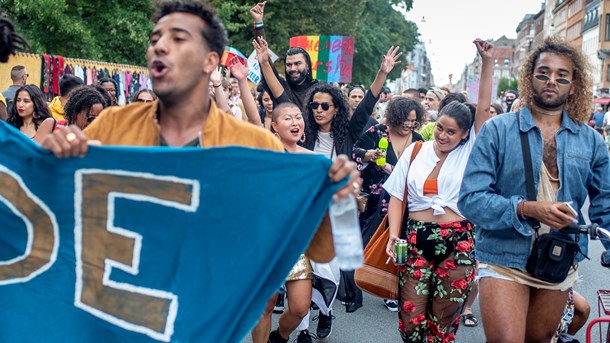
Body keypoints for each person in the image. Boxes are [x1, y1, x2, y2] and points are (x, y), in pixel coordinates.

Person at [40, 2, 359, 343]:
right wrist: (54, 158)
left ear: (210, 61)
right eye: (155, 39)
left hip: (207, 310)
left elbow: (323, 248)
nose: (160, 47)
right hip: (127, 303)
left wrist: (337, 200)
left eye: (178, 39)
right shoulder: (112, 126)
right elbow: (51, 207)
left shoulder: (254, 145)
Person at [458, 36, 610, 343]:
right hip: (503, 256)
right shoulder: (497, 130)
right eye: (543, 73)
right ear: (529, 78)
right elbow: (470, 200)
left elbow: (605, 206)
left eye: (561, 75)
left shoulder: (591, 140)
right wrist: (526, 208)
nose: (552, 80)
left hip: (559, 257)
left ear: (574, 83)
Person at [383, 39, 493, 342]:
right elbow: (396, 196)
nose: (443, 136)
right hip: (416, 240)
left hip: (458, 244)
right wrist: (394, 234)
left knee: (442, 324)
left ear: (465, 135)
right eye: (440, 128)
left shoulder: (470, 151)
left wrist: (487, 63)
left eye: (451, 132)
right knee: (411, 319)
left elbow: (482, 107)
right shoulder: (417, 150)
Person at [352, 97, 425, 312]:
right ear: (396, 116)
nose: (409, 125)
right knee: (367, 242)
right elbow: (354, 151)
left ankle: (393, 290)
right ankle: (357, 280)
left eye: (413, 121)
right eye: (406, 120)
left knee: (400, 243)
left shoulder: (419, 141)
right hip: (375, 199)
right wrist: (371, 155)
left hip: (404, 202)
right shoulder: (377, 132)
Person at [263, 102, 314, 343]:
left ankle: (280, 336)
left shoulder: (314, 160)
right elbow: (251, 118)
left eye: (298, 117)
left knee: (300, 308)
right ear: (274, 125)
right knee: (267, 303)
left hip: (297, 243)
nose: (295, 122)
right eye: (287, 118)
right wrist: (239, 81)